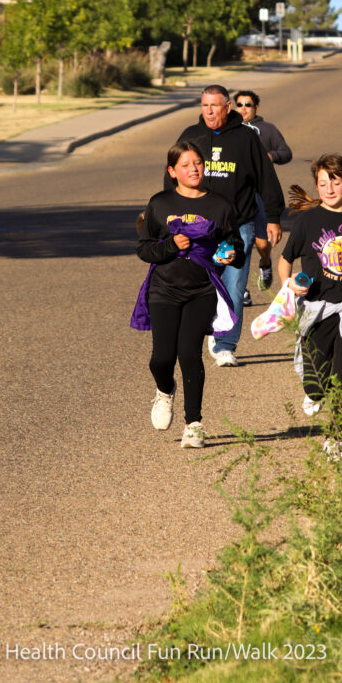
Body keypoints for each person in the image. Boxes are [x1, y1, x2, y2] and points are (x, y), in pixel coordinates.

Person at [132, 142, 245, 448]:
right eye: (185, 165)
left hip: (202, 290)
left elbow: (234, 246)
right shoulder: (160, 204)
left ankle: (193, 424)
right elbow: (145, 249)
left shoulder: (220, 205)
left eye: (197, 163)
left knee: (189, 354)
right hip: (163, 288)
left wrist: (231, 253)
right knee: (161, 358)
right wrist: (171, 246)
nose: (193, 169)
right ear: (172, 172)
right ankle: (165, 391)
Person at [168, 85, 284, 366]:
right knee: (198, 284)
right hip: (198, 227)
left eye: (214, 106)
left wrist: (273, 217)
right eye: (204, 105)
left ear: (227, 107)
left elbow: (265, 178)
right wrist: (169, 215)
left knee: (233, 286)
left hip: (237, 225)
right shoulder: (190, 136)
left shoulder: (246, 138)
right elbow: (173, 175)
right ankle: (199, 330)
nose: (208, 111)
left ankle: (225, 344)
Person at [276, 154, 342, 450]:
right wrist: (289, 284)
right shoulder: (307, 221)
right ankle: (315, 393)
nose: (330, 189)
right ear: (317, 186)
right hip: (314, 309)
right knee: (315, 383)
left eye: (335, 182)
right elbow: (285, 260)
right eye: (323, 183)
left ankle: (335, 439)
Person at [233, 89, 292, 303]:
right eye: (239, 104)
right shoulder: (230, 130)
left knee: (261, 243)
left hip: (261, 194)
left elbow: (286, 153)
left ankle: (265, 262)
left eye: (248, 104)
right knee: (241, 242)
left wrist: (269, 155)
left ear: (256, 108)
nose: (243, 109)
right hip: (238, 196)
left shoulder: (267, 129)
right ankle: (242, 289)